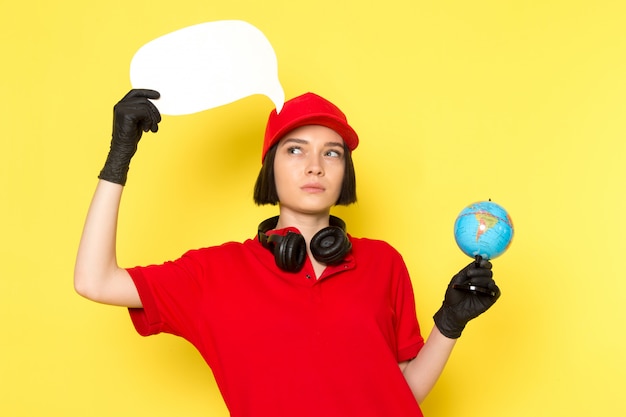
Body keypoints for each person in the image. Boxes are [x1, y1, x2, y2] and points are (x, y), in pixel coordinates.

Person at [74, 89, 501, 417]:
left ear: (343, 172)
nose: (315, 165)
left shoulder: (383, 262)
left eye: (331, 153)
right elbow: (94, 281)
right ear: (270, 167)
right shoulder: (213, 273)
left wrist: (449, 323)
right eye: (295, 149)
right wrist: (118, 159)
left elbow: (400, 393)